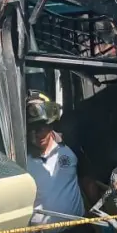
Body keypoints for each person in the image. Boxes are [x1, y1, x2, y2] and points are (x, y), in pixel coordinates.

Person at [26, 91, 85, 225]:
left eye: (41, 127)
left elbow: (86, 179)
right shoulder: (20, 157)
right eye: (32, 129)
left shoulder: (69, 145)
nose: (38, 134)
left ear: (50, 125)